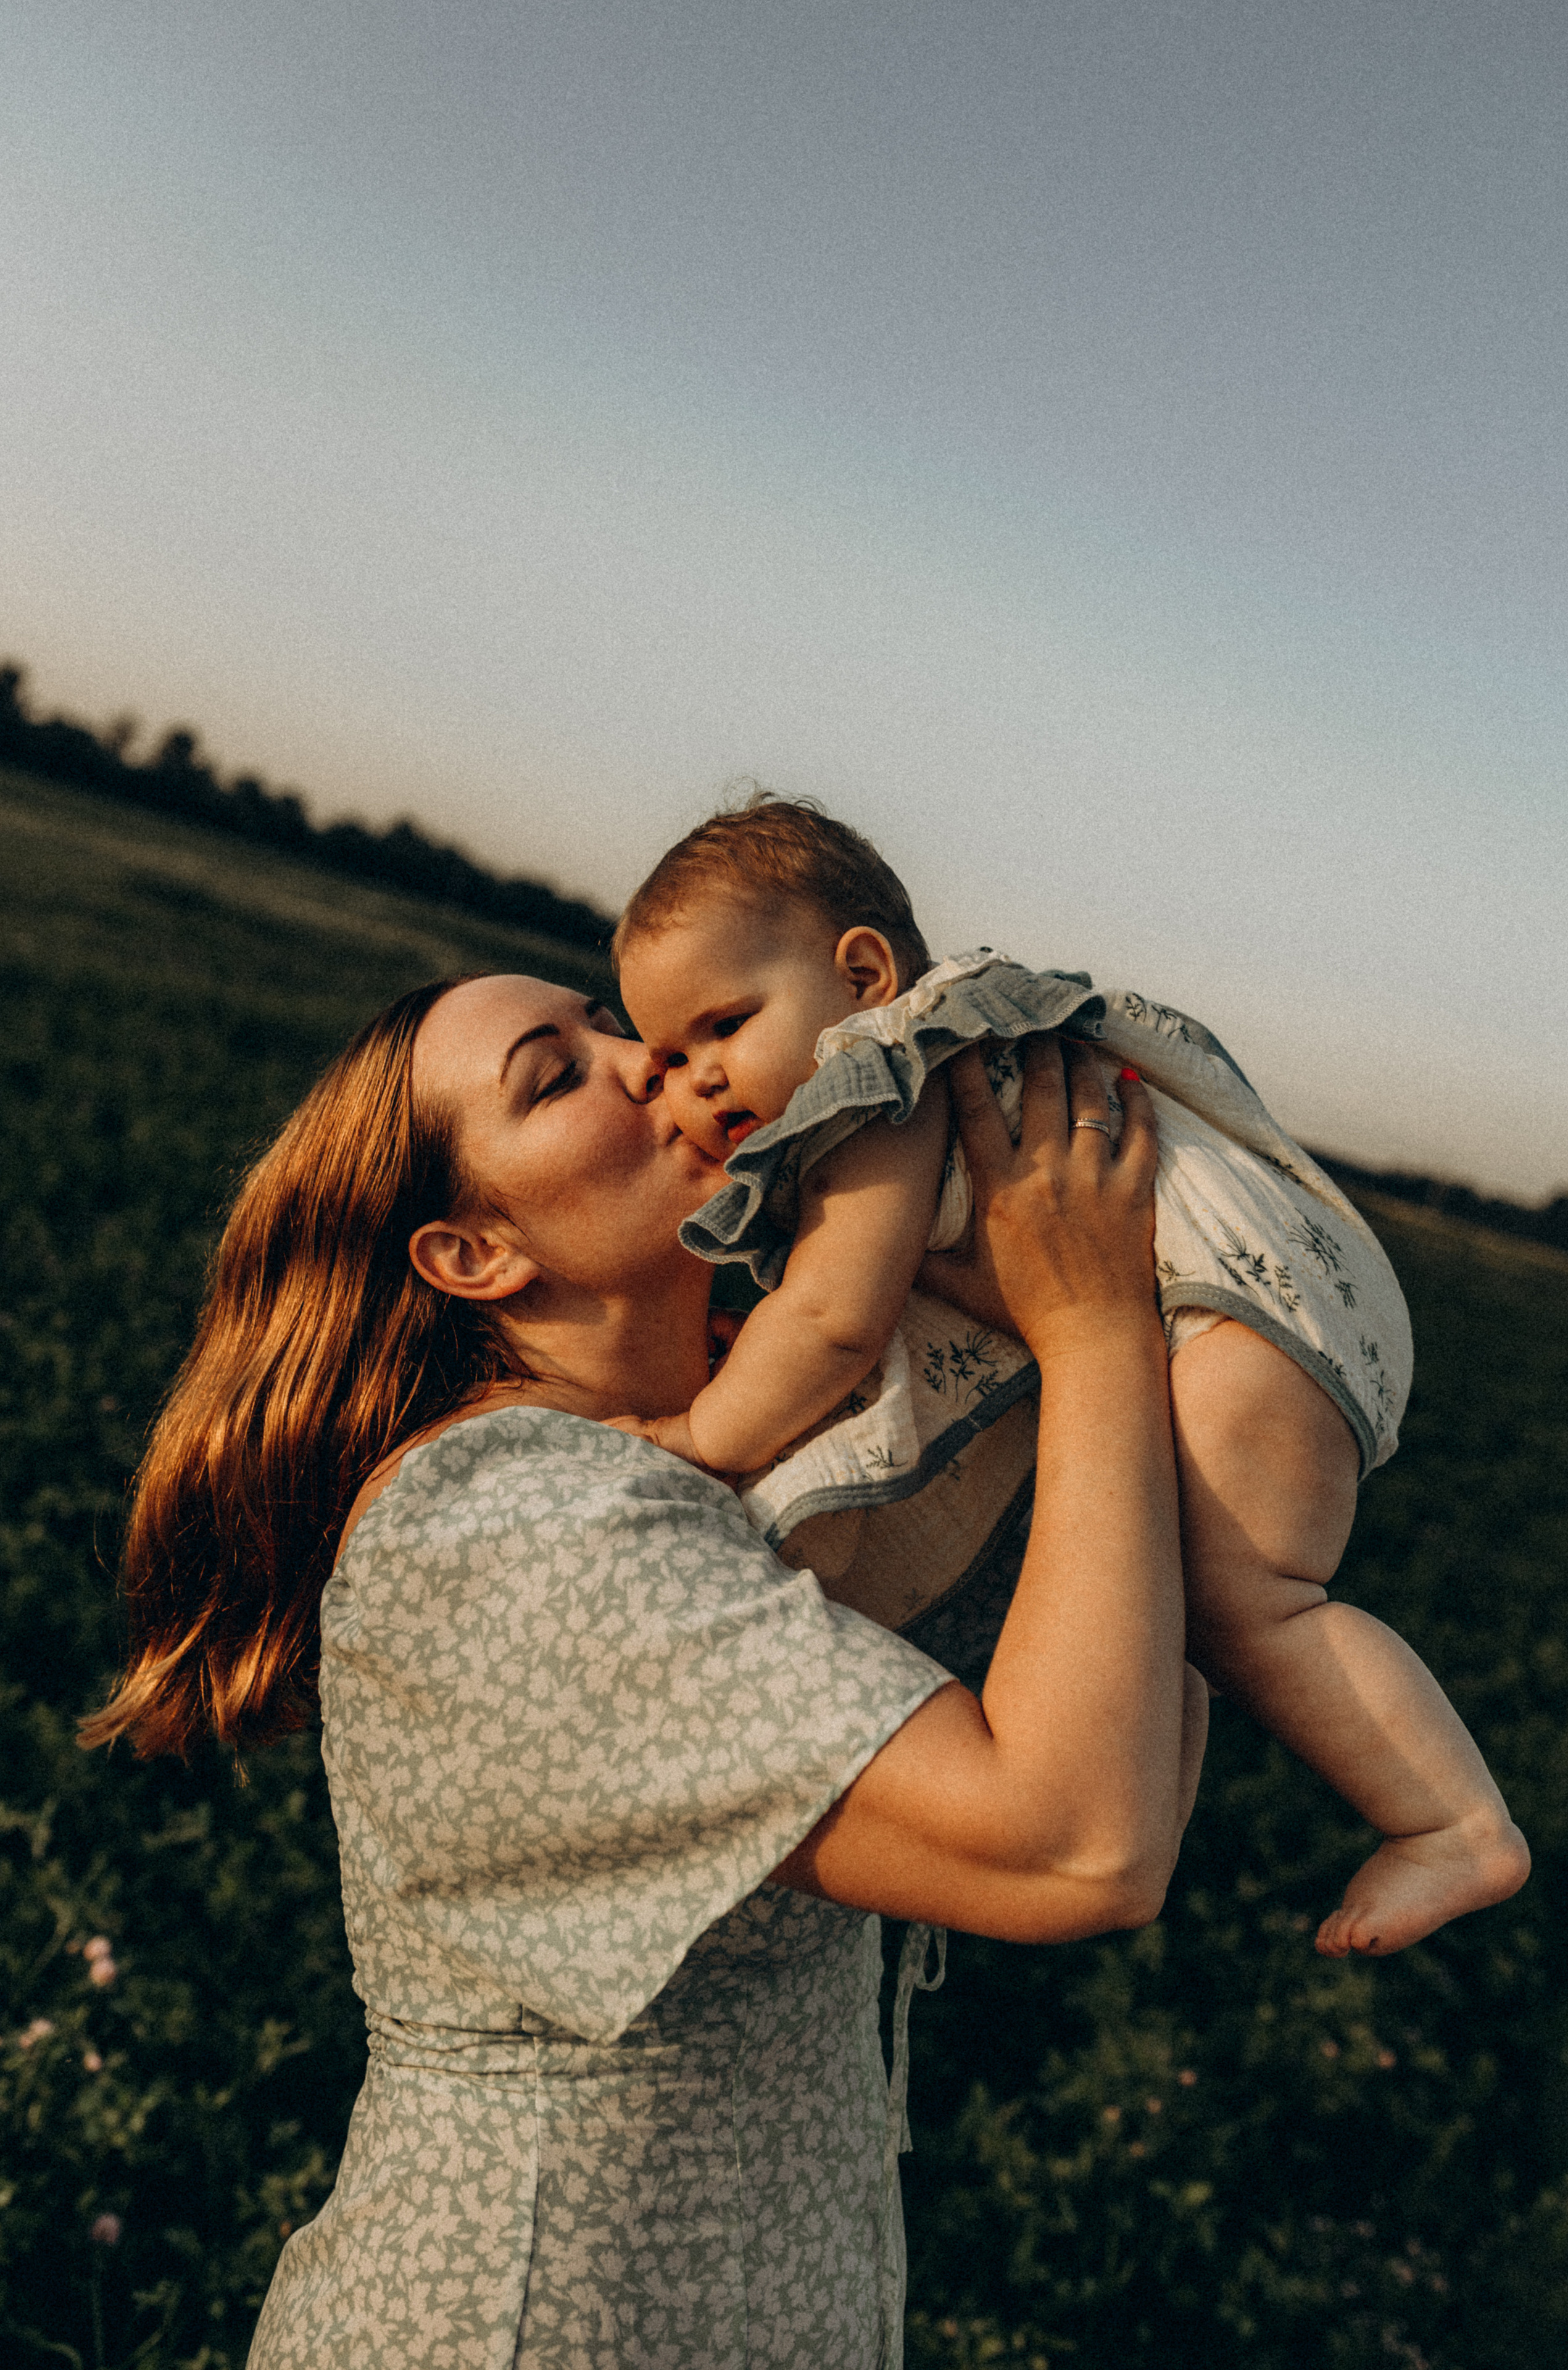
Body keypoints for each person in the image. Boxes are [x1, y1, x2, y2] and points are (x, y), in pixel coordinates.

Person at [81, 970, 1205, 2369]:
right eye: (554, 1075)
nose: (647, 1063)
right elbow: (1078, 1847)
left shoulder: (714, 1464)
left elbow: (1126, 1760)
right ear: (473, 1254)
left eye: (611, 1024)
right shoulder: (517, 1529)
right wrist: (1093, 1328)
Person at [611, 797, 1529, 1961]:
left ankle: (1454, 1823)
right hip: (1275, 1298)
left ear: (862, 973)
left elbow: (834, 1317)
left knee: (1253, 1602)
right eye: (670, 1056)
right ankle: (1146, 1809)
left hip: (1233, 1314)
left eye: (724, 1026)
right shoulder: (951, 1042)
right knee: (1167, 1600)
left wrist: (704, 1433)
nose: (697, 1078)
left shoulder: (882, 1078)